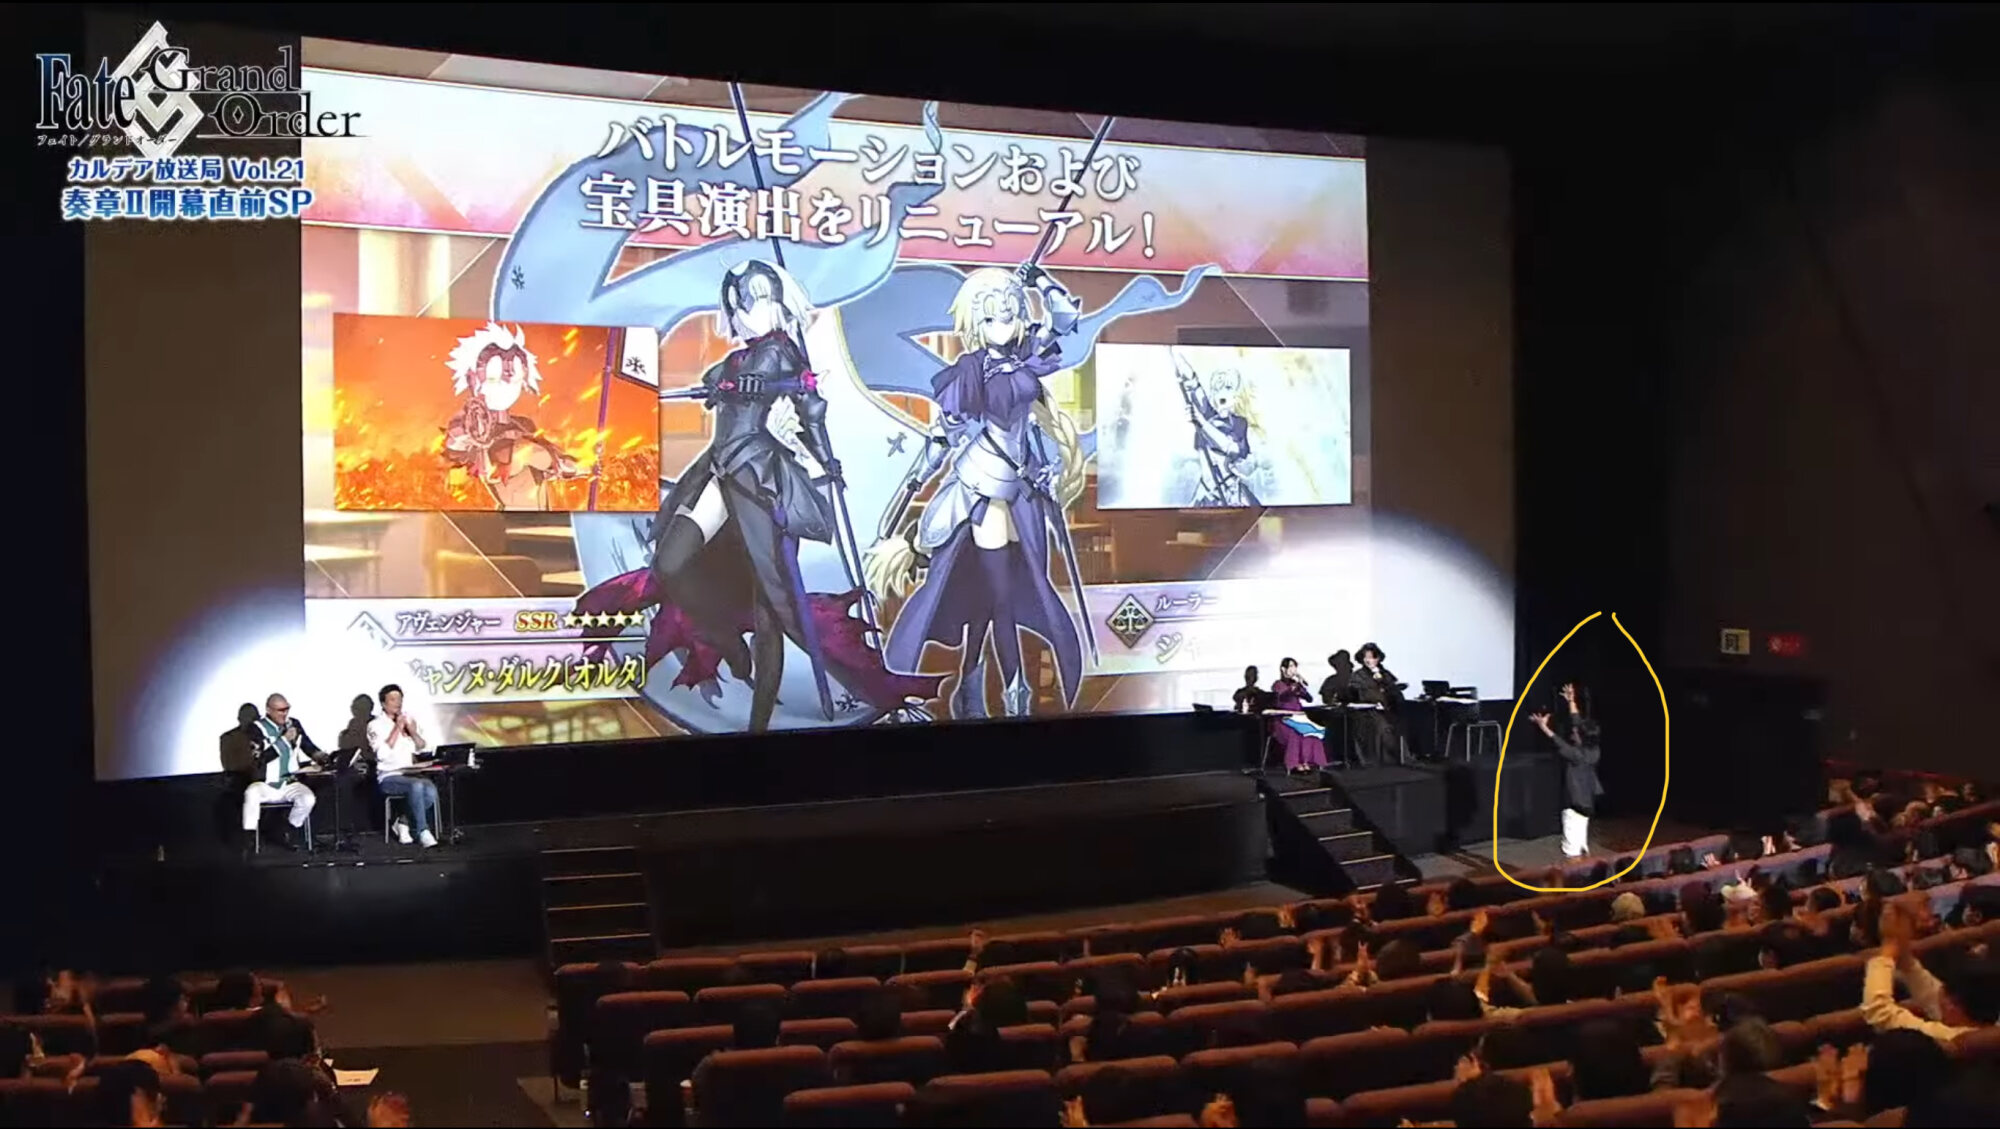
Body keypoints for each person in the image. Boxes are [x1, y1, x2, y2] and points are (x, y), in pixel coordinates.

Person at [869, 264, 1087, 720]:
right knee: (1001, 595)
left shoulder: (1027, 354)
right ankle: (1015, 694)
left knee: (995, 593)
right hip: (982, 486)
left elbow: (1065, 317)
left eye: (1008, 312)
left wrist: (1039, 280)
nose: (1002, 323)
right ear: (975, 323)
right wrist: (915, 481)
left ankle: (970, 683)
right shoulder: (969, 371)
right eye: (990, 317)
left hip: (1022, 487)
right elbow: (944, 434)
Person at [242, 693, 324, 852]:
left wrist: (322, 757)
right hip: (267, 783)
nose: (284, 713)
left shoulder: (293, 724)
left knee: (308, 799)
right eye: (280, 710)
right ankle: (249, 838)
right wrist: (284, 740)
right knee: (251, 793)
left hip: (290, 781)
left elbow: (308, 746)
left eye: (287, 709)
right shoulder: (256, 729)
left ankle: (289, 831)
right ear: (268, 710)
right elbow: (261, 758)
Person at [1532, 683, 1602, 859]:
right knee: (1581, 844)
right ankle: (1585, 871)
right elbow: (1577, 721)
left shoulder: (1577, 755)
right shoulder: (1594, 750)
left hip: (1575, 805)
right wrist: (1571, 701)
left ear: (1581, 737)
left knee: (1571, 851)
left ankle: (1575, 872)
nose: (1573, 731)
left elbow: (1557, 741)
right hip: (1587, 803)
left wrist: (1543, 726)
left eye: (1576, 732)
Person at [368, 684, 438, 849]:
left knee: (430, 790)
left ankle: (402, 822)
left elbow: (423, 748)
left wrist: (412, 731)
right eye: (393, 699)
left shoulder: (408, 720)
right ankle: (422, 831)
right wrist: (397, 728)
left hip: (410, 773)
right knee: (417, 786)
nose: (397, 703)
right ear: (383, 704)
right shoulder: (375, 725)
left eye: (400, 699)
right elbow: (381, 754)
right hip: (388, 776)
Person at [1267, 658, 1327, 773]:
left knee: (1312, 731)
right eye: (1290, 666)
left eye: (1294, 666)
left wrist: (1301, 687)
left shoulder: (1296, 684)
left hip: (1298, 718)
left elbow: (1309, 699)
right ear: (1283, 669)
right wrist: (1293, 688)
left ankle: (1308, 761)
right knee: (1295, 732)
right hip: (1283, 720)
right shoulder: (1278, 684)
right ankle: (1294, 763)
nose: (1293, 669)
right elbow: (1283, 697)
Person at [1348, 643, 1405, 763]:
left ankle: (1401, 758)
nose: (1368, 660)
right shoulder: (1358, 675)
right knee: (1383, 728)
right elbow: (1355, 695)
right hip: (1367, 712)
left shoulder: (1385, 674)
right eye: (1366, 657)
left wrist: (1383, 682)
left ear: (1378, 658)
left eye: (1372, 657)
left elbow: (1393, 690)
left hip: (1389, 709)